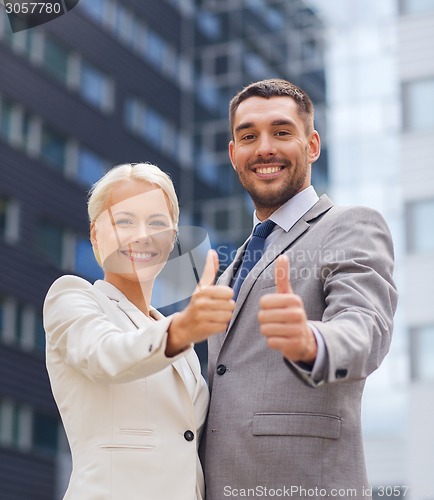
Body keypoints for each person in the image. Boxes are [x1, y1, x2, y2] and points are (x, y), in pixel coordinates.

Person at [200, 79, 398, 499]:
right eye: (248, 136)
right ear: (234, 155)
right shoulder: (230, 267)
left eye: (282, 132)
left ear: (312, 146)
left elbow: (365, 327)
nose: (265, 148)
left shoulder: (350, 225)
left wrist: (310, 340)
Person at [43, 162, 234, 500]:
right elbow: (106, 354)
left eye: (157, 223)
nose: (141, 234)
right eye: (125, 221)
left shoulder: (180, 343)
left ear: (172, 238)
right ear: (95, 234)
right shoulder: (72, 297)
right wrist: (182, 329)